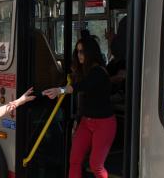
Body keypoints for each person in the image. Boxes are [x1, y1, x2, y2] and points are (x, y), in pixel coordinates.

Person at [43, 31, 115, 178]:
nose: (79, 55)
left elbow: (81, 87)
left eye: (82, 51)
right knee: (74, 159)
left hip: (104, 124)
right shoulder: (86, 71)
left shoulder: (98, 72)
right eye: (77, 51)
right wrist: (77, 120)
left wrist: (60, 90)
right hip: (86, 122)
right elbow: (85, 100)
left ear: (90, 52)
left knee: (96, 165)